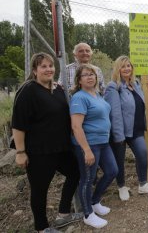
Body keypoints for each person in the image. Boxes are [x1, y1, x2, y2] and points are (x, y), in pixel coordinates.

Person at [12, 53, 81, 232]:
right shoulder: (28, 90)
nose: (49, 69)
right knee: (40, 189)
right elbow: (18, 124)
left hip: (61, 148)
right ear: (34, 70)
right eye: (43, 66)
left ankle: (63, 214)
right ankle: (42, 228)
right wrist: (20, 152)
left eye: (50, 66)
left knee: (75, 173)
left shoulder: (57, 89)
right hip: (39, 151)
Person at [104, 56, 148, 201]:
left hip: (136, 129)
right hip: (120, 131)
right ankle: (121, 186)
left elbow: (139, 99)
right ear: (118, 69)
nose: (127, 69)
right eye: (123, 66)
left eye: (129, 66)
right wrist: (118, 136)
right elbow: (115, 114)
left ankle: (142, 184)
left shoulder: (135, 84)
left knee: (142, 153)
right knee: (119, 160)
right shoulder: (113, 86)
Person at [70, 64, 118, 229]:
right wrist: (86, 150)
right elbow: (76, 127)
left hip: (103, 142)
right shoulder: (79, 97)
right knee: (87, 178)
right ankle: (88, 214)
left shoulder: (97, 94)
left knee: (112, 171)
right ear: (79, 79)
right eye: (85, 75)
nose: (90, 77)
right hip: (89, 144)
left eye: (92, 74)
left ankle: (95, 201)